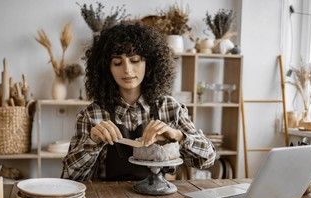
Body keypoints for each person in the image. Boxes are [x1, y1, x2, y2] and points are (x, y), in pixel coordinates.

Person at [61, 23, 215, 181]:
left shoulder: (169, 108)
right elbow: (68, 177)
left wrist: (177, 136)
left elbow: (208, 159)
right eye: (117, 63)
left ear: (149, 63)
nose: (127, 70)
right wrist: (92, 142)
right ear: (106, 68)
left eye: (134, 60)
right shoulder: (92, 115)